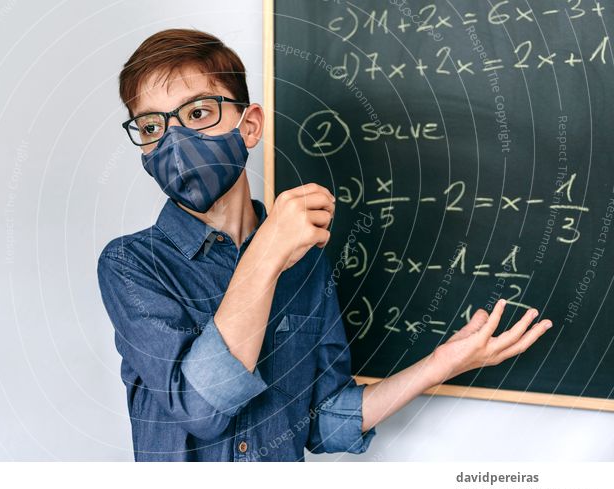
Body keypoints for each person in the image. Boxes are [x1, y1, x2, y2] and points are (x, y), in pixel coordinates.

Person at [96, 28, 552, 461]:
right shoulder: (132, 265)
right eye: (152, 126)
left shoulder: (305, 262)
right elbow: (200, 408)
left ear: (249, 126)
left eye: (198, 113)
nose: (174, 140)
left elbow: (322, 421)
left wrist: (439, 365)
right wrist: (267, 251)